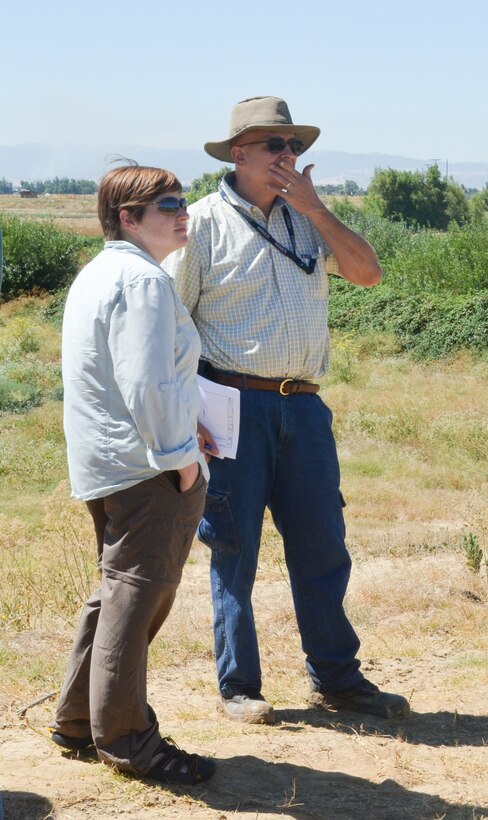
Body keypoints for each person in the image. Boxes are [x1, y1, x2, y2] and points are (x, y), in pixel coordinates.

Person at [163, 96, 408, 725]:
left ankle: (337, 679)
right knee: (234, 545)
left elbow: (368, 273)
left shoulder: (309, 220)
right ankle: (238, 686)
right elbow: (169, 326)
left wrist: (316, 208)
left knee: (323, 545)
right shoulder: (201, 225)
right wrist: (185, 409)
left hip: (302, 406)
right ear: (239, 154)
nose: (288, 156)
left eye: (293, 146)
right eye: (274, 145)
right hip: (229, 402)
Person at [51, 165, 215, 785]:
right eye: (167, 204)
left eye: (182, 202)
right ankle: (127, 739)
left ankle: (76, 718)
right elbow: (146, 383)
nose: (183, 213)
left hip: (110, 462)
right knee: (137, 596)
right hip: (145, 467)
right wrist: (180, 459)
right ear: (127, 216)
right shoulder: (142, 281)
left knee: (116, 592)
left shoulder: (99, 273)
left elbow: (137, 380)